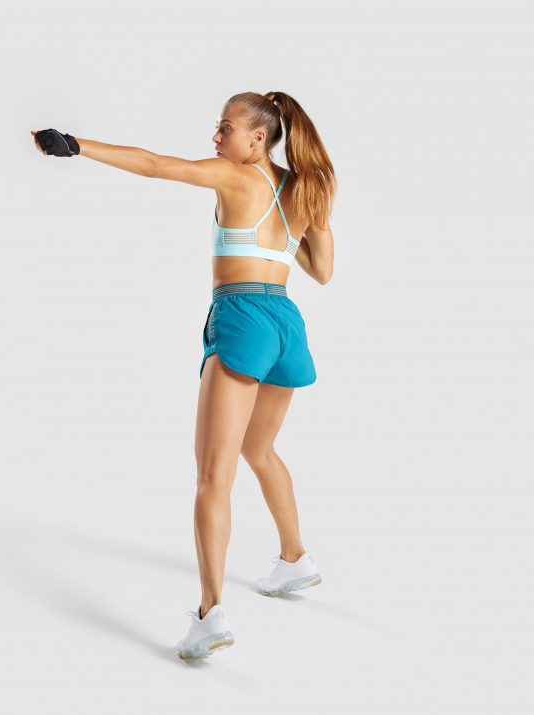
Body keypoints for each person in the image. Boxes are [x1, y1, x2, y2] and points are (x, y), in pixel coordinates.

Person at [31, 90, 336, 660]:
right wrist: (286, 231)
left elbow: (155, 165)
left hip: (243, 317)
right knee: (260, 450)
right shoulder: (303, 190)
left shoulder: (235, 176)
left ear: (258, 139)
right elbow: (322, 270)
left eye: (225, 128)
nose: (215, 138)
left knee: (212, 476)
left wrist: (77, 145)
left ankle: (209, 613)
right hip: (286, 323)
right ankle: (295, 560)